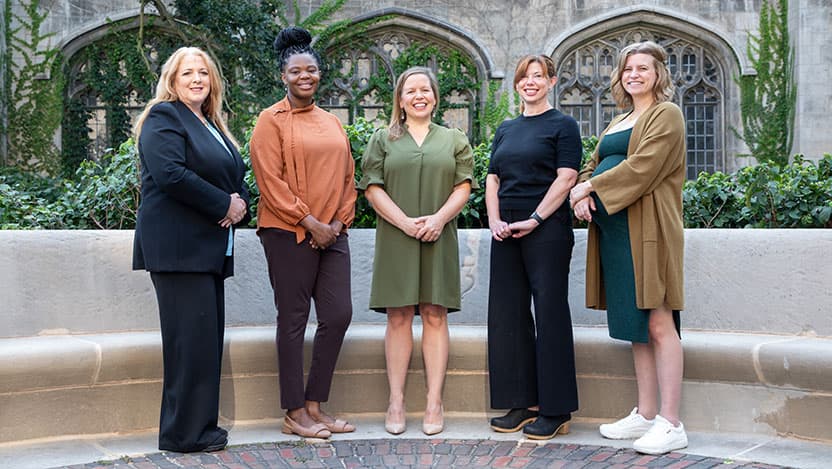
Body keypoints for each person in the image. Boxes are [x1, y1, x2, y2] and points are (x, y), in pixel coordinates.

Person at [570, 41, 687, 455]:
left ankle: (671, 422)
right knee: (635, 325)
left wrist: (590, 186)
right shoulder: (618, 120)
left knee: (658, 320)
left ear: (658, 74)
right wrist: (582, 191)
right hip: (615, 228)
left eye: (643, 68)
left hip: (648, 226)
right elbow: (593, 161)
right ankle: (646, 412)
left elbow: (644, 166)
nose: (634, 74)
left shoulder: (666, 114)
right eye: (627, 69)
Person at [132, 46, 250, 453]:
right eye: (188, 74)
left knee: (203, 343)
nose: (197, 79)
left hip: (207, 251)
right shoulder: (165, 117)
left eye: (203, 72)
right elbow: (169, 174)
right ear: (172, 80)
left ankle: (200, 428)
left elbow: (234, 175)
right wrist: (224, 204)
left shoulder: (211, 122)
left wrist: (240, 203)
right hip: (179, 250)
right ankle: (182, 434)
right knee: (188, 345)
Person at [249, 26, 357, 440]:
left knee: (338, 315)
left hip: (332, 235)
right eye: (296, 71)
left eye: (311, 70)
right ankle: (294, 411)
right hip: (287, 233)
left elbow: (348, 178)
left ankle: (315, 405)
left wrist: (336, 224)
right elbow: (269, 181)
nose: (304, 76)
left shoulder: (332, 121)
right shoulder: (269, 120)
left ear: (319, 75)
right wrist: (309, 222)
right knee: (293, 320)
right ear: (284, 76)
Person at [358, 66, 475, 436]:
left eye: (426, 89)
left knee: (435, 314)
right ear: (400, 99)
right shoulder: (382, 139)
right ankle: (395, 401)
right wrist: (405, 223)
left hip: (439, 235)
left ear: (436, 98)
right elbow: (372, 188)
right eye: (411, 90)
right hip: (397, 237)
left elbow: (463, 187)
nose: (419, 95)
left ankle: (433, 401)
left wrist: (439, 219)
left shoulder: (454, 139)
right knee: (398, 316)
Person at [485, 55, 581, 440]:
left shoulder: (563, 125)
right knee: (508, 315)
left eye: (539, 77)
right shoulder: (506, 128)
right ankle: (522, 403)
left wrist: (537, 219)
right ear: (517, 84)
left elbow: (567, 177)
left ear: (552, 82)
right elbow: (493, 178)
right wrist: (494, 220)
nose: (531, 83)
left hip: (547, 230)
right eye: (525, 77)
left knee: (550, 314)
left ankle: (555, 410)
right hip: (505, 229)